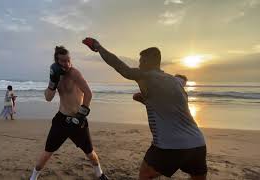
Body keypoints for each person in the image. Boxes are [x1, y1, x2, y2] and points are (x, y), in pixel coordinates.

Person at [83, 38, 207, 180]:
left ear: (148, 62)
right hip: (197, 143)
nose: (139, 65)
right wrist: (148, 101)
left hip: (169, 145)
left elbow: (121, 68)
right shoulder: (174, 81)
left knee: (145, 174)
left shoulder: (148, 76)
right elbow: (174, 101)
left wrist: (98, 47)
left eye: (141, 62)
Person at [29, 46, 108, 180]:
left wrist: (82, 114)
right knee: (47, 152)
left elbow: (88, 93)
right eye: (63, 61)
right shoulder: (56, 75)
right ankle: (33, 177)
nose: (67, 64)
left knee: (90, 153)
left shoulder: (75, 73)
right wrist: (52, 82)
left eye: (68, 60)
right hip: (61, 120)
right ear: (57, 61)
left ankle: (100, 174)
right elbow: (48, 98)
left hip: (78, 120)